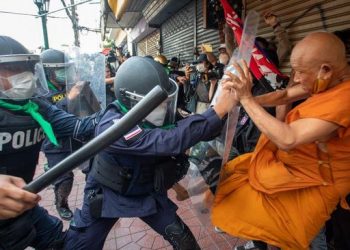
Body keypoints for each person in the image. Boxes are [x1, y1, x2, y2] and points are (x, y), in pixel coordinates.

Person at [64, 56, 237, 250]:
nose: (163, 108)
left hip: (146, 190)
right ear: (130, 100)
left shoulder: (159, 114)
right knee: (80, 245)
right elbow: (166, 141)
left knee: (184, 240)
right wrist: (216, 112)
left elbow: (194, 129)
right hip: (108, 194)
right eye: (157, 103)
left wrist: (221, 110)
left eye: (165, 102)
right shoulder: (112, 125)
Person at [211, 32, 350, 250]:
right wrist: (239, 102)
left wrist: (247, 99)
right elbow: (284, 96)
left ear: (326, 70)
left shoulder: (344, 98)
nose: (296, 79)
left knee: (303, 235)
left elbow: (288, 138)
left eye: (301, 72)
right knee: (239, 183)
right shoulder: (324, 83)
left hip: (317, 182)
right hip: (291, 170)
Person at [0, 35, 101, 249]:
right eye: (13, 69)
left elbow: (80, 126)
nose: (24, 75)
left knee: (59, 242)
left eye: (26, 68)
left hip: (24, 205)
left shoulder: (36, 107)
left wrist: (119, 113)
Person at [40, 48, 84, 220]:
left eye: (67, 68)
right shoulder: (41, 92)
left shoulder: (69, 85)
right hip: (56, 143)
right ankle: (61, 204)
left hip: (77, 136)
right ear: (48, 72)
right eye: (61, 69)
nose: (65, 73)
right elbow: (49, 118)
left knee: (94, 167)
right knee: (65, 178)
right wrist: (69, 98)